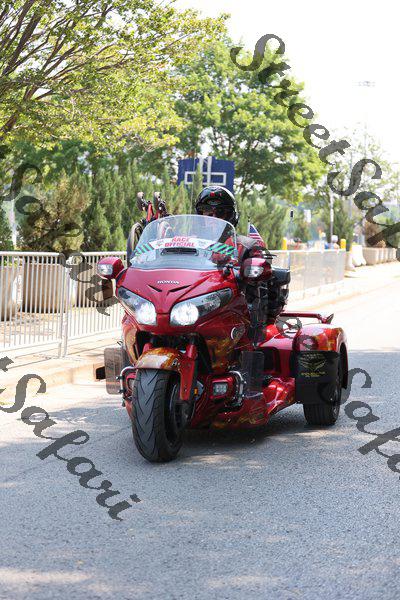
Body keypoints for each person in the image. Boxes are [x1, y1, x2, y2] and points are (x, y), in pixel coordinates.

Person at [195, 186, 290, 332]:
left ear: (230, 216)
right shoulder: (189, 243)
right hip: (192, 308)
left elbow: (262, 280)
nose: (213, 218)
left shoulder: (247, 245)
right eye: (207, 212)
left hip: (233, 313)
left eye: (220, 213)